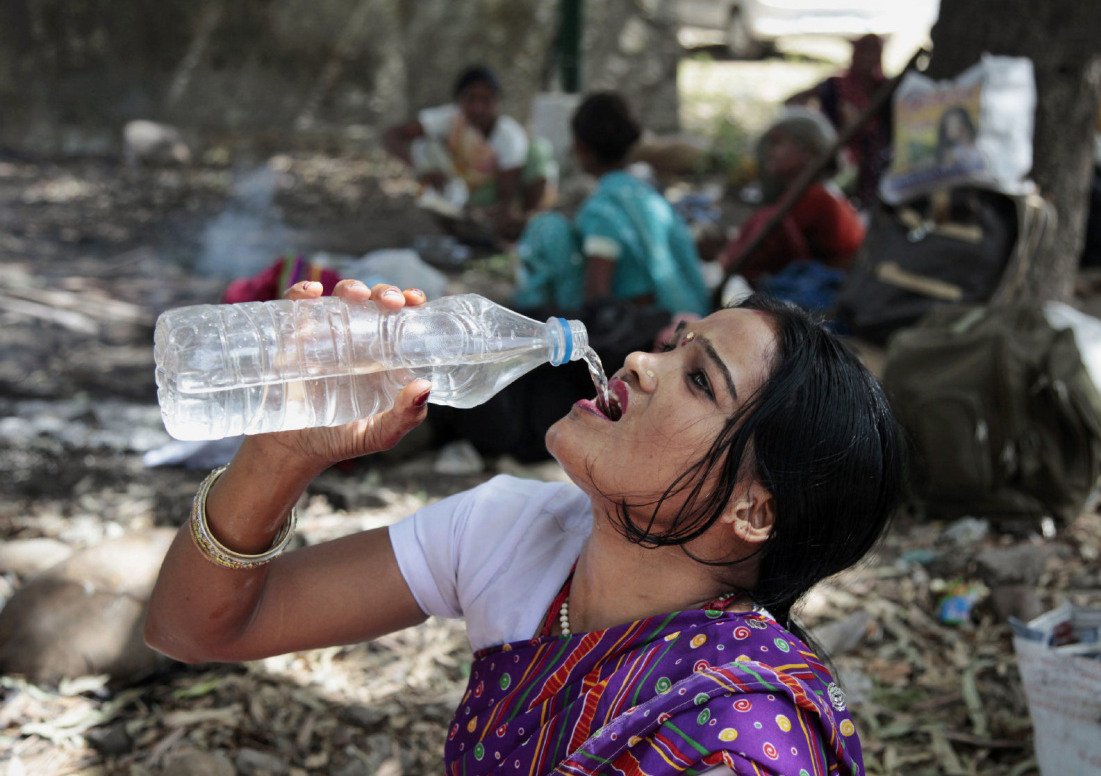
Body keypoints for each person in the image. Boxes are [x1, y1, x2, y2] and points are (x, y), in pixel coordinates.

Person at [144, 277, 903, 775]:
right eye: (675, 346)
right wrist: (282, 451)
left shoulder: (738, 742)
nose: (640, 361)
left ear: (753, 510)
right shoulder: (516, 528)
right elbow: (194, 629)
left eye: (699, 380)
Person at [514, 92, 709, 318]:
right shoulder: (647, 195)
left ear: (580, 147)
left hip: (659, 329)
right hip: (696, 313)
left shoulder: (602, 210)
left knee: (547, 228)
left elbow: (598, 297)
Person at [382, 65, 552, 238]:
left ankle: (526, 222)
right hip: (459, 189)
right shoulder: (450, 119)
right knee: (424, 145)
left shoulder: (509, 136)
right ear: (459, 100)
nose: (478, 107)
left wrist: (485, 214)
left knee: (539, 149)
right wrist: (420, 169)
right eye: (471, 99)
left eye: (486, 100)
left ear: (497, 101)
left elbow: (506, 198)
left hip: (493, 197)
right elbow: (392, 135)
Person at [718, 112, 866, 287]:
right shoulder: (803, 195)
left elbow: (758, 253)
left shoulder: (816, 198)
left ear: (809, 150)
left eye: (778, 143)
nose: (770, 152)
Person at [785, 34, 891, 207]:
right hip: (839, 156)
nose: (869, 59)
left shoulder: (886, 88)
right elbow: (793, 101)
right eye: (864, 52)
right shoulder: (834, 87)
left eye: (874, 52)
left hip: (877, 161)